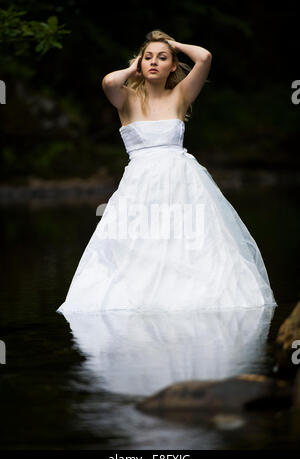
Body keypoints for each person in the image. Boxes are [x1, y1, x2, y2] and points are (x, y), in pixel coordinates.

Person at [56, 30, 277, 315]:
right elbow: (109, 81)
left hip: (182, 182)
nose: (154, 62)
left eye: (162, 58)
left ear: (173, 65)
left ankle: (188, 302)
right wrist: (134, 65)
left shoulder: (180, 95)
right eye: (148, 57)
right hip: (140, 184)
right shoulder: (126, 99)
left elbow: (205, 57)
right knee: (140, 242)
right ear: (139, 62)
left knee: (187, 241)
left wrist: (173, 44)